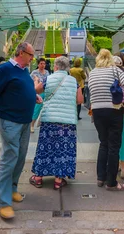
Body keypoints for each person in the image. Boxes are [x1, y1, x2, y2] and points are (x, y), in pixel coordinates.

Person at [0, 43, 43, 220]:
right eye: (31, 55)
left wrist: (34, 96)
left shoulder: (23, 71)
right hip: (9, 121)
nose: (33, 59)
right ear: (21, 53)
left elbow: (23, 90)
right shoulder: (4, 69)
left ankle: (13, 188)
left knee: (21, 156)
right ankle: (4, 202)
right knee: (10, 157)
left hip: (24, 121)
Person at [88, 49, 124, 191]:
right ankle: (111, 182)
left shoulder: (92, 73)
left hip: (97, 111)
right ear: (110, 59)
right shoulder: (115, 70)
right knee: (114, 146)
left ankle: (100, 178)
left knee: (104, 143)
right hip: (114, 110)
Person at [29, 56, 78, 190]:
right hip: (67, 121)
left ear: (55, 67)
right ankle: (58, 180)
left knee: (45, 147)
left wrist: (36, 82)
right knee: (63, 149)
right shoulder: (74, 81)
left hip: (49, 119)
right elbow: (79, 100)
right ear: (67, 67)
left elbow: (37, 90)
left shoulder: (48, 78)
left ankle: (38, 178)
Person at [30, 58, 50, 133]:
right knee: (36, 110)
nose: (42, 65)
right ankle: (32, 125)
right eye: (41, 63)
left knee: (46, 110)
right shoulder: (34, 72)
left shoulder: (47, 72)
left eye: (44, 64)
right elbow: (30, 82)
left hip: (46, 92)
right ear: (38, 64)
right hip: (38, 93)